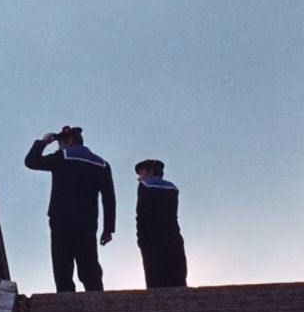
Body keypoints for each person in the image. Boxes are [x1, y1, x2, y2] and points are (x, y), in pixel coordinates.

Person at [25, 125, 115, 292]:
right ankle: (97, 298)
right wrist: (108, 228)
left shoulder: (62, 157)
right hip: (87, 222)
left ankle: (65, 300)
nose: (59, 146)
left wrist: (43, 142)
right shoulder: (102, 164)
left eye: (60, 142)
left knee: (62, 265)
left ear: (69, 141)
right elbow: (109, 198)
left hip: (61, 220)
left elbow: (31, 162)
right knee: (89, 264)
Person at [134, 158, 188, 288]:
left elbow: (142, 214)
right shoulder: (173, 189)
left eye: (141, 173)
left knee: (155, 277)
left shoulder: (145, 186)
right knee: (177, 276)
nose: (139, 178)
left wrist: (140, 237)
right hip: (173, 236)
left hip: (152, 237)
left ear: (150, 172)